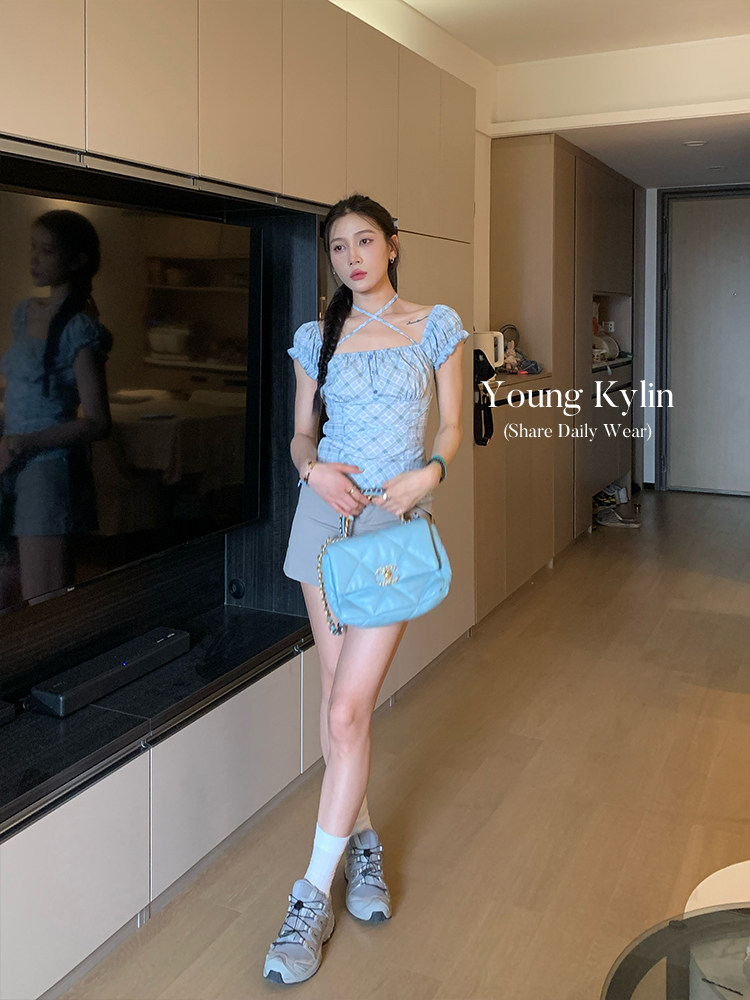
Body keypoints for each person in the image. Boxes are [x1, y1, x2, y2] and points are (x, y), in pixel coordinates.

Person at [264, 194, 468, 985]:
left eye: (364, 241)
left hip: (391, 527)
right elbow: (299, 436)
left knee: (349, 709)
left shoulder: (434, 326)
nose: (351, 257)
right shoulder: (316, 337)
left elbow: (451, 427)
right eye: (338, 247)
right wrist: (313, 469)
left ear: (393, 244)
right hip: (324, 520)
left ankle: (312, 894)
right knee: (335, 704)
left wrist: (430, 473)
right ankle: (364, 842)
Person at [0, 209, 112, 605]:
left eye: (46, 251)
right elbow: (21, 389)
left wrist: (22, 443)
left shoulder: (79, 328)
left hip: (46, 467)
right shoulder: (23, 313)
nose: (34, 258)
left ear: (75, 260)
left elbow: (97, 421)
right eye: (33, 247)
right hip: (9, 460)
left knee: (44, 598)